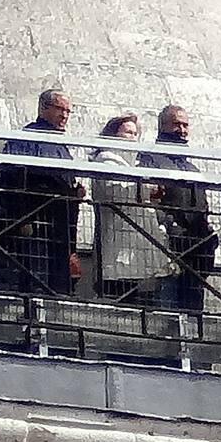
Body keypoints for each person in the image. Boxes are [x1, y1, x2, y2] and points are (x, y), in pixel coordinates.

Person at [0, 89, 82, 295]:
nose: (65, 116)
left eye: (68, 111)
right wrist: (23, 218)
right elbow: (15, 178)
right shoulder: (26, 139)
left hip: (53, 228)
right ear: (44, 108)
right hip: (29, 223)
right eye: (60, 109)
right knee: (29, 278)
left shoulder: (60, 144)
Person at [138, 105, 218, 311]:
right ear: (162, 126)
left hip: (196, 252)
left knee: (192, 308)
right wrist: (168, 227)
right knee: (167, 307)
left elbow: (203, 207)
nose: (182, 130)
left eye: (185, 125)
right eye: (176, 124)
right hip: (166, 247)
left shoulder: (192, 168)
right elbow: (148, 200)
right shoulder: (150, 160)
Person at [87, 114, 172, 302]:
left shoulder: (134, 165)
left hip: (138, 252)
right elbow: (115, 191)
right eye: (127, 132)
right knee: (119, 301)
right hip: (117, 251)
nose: (133, 137)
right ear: (113, 134)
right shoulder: (106, 160)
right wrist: (149, 190)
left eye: (135, 133)